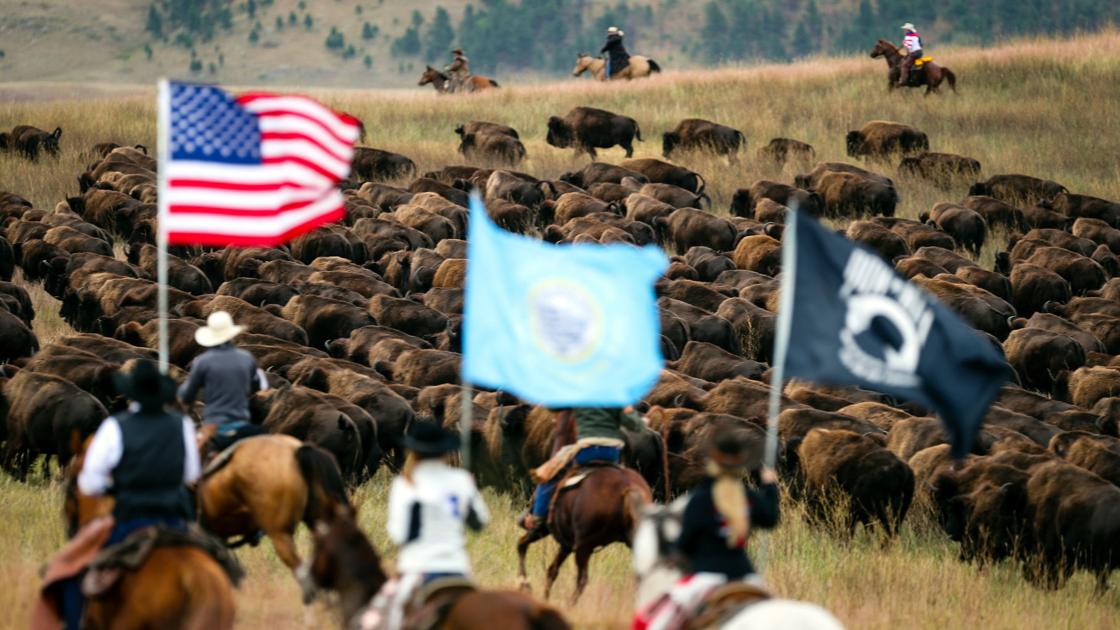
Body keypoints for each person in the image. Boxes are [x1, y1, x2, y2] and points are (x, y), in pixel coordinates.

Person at [60, 359, 201, 630]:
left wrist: (112, 487)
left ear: (131, 393)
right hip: (174, 519)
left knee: (74, 571)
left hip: (129, 518)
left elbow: (90, 483)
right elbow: (191, 475)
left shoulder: (116, 427)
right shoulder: (181, 425)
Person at [633, 427, 779, 630]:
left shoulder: (700, 500)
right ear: (741, 464)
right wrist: (769, 486)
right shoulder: (748, 497)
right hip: (747, 578)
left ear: (712, 462)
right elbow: (771, 518)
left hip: (706, 579)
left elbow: (685, 544)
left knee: (654, 622)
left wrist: (673, 550)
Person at [367, 420, 489, 630]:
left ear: (414, 452)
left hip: (418, 568)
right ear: (445, 451)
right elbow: (480, 523)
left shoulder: (406, 484)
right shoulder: (461, 480)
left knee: (376, 620)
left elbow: (399, 534)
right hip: (458, 569)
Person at [519, 405, 655, 532]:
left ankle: (537, 517)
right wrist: (643, 421)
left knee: (549, 472)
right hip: (612, 453)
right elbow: (636, 426)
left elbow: (553, 406)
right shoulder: (616, 397)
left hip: (586, 450)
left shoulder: (581, 394)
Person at [178, 311, 269, 455]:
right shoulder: (247, 358)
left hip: (215, 427)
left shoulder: (203, 362)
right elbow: (260, 386)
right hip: (243, 424)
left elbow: (187, 395)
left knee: (191, 460)